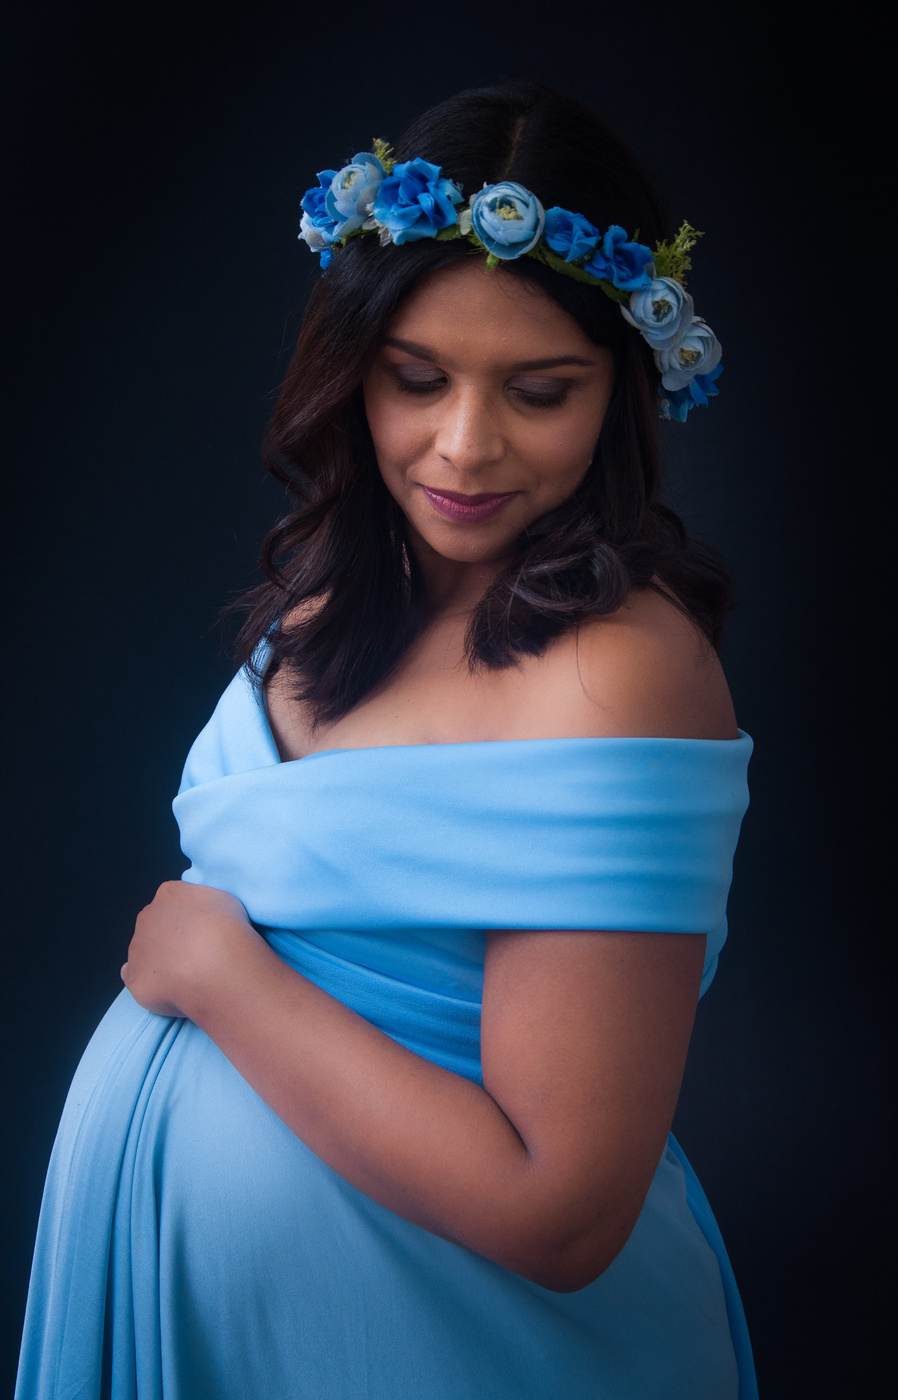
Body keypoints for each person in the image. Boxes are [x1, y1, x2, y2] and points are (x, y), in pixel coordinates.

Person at [16, 80, 756, 1399]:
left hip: (463, 1348)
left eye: (539, 391)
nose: (463, 448)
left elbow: (558, 1212)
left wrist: (227, 983)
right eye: (417, 379)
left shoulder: (616, 674)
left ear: (624, 392)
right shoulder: (330, 605)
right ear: (352, 366)